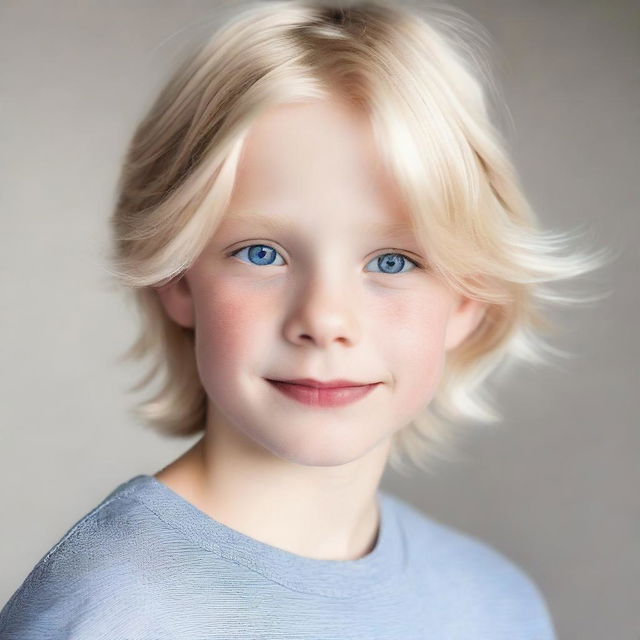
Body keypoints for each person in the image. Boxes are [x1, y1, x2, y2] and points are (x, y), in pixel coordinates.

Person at [0, 0, 608, 637]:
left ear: (467, 298)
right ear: (177, 279)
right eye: (262, 254)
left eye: (394, 261)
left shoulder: (498, 606)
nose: (324, 319)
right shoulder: (113, 614)